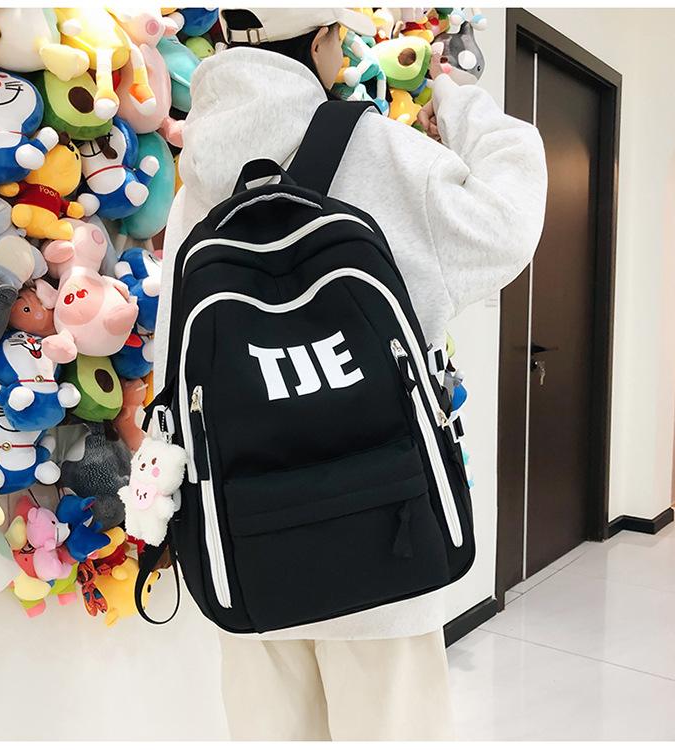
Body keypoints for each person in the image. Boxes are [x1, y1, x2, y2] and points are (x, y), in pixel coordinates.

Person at [155, 7, 547, 741]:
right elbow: (507, 224)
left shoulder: (194, 181)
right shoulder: (377, 151)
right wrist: (461, 100)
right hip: (384, 539)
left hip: (248, 546)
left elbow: (174, 360)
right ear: (323, 40)